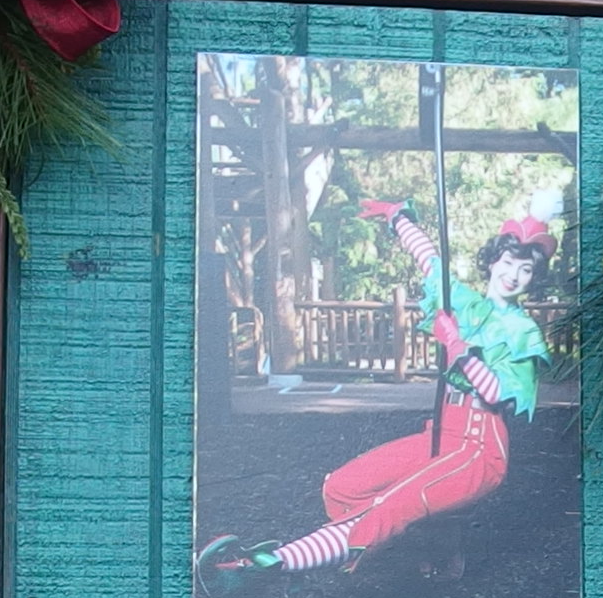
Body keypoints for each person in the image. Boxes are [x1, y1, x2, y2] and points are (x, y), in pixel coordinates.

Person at [205, 203, 556, 577]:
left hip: (478, 447)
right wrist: (398, 216)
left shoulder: (523, 332)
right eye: (507, 262)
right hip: (443, 432)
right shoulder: (464, 302)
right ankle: (435, 538)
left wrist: (461, 352)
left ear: (534, 277)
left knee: (388, 506)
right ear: (492, 260)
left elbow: (497, 394)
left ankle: (265, 565)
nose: (513, 275)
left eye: (526, 269)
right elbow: (428, 259)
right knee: (343, 487)